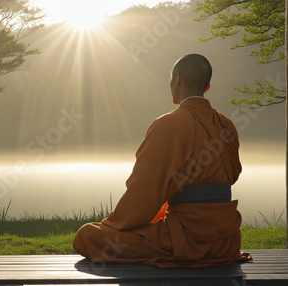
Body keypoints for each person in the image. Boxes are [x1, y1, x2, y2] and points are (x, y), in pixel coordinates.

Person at [73, 54, 252, 268]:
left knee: (88, 236)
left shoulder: (168, 124)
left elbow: (143, 192)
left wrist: (113, 224)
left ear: (177, 80)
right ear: (208, 86)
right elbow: (232, 176)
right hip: (227, 241)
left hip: (186, 239)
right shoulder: (226, 125)